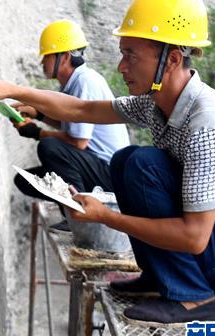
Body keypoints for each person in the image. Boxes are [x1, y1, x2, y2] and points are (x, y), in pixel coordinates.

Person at [0, 0, 215, 326]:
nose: (120, 67)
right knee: (127, 161)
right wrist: (12, 90)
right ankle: (160, 279)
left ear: (172, 59)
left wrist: (106, 217)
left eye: (131, 55)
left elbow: (195, 236)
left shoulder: (208, 122)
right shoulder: (157, 103)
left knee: (144, 164)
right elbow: (82, 109)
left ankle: (197, 300)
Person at [11, 20, 129, 231]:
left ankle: (79, 214)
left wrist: (38, 133)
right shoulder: (76, 82)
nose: (42, 63)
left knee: (49, 148)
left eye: (47, 56)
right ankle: (72, 209)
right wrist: (38, 114)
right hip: (93, 167)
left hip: (109, 174)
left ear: (64, 57)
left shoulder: (85, 82)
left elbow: (79, 142)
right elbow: (71, 125)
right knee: (24, 180)